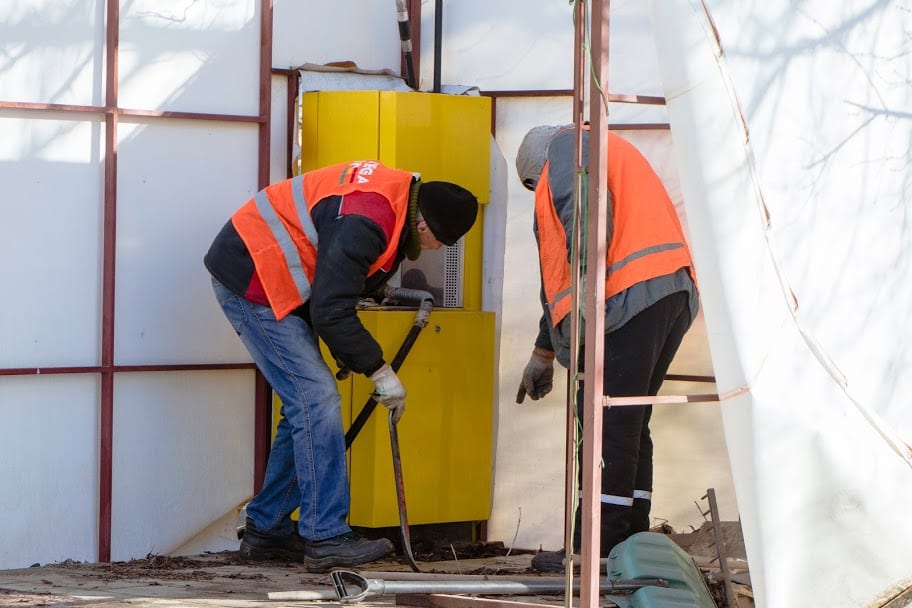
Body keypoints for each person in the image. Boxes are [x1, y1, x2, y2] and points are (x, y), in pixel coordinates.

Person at [204, 160, 478, 572]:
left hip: (274, 273)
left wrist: (348, 352)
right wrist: (380, 371)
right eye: (441, 243)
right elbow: (332, 309)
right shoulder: (368, 219)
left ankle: (268, 528)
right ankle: (326, 536)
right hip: (252, 277)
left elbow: (335, 287)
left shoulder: (394, 198)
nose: (436, 252)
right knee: (316, 401)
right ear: (425, 228)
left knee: (306, 403)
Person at [514, 125, 699, 572]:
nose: (538, 196)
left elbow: (584, 215)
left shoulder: (564, 149)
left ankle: (593, 551)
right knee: (629, 421)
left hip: (626, 295)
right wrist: (544, 351)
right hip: (667, 291)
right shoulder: (599, 147)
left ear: (538, 170)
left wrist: (587, 286)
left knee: (603, 422)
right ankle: (630, 544)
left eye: (533, 187)